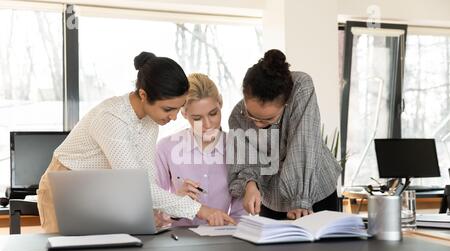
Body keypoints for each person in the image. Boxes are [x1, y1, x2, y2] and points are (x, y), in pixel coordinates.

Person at [37, 52, 235, 233]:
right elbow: (137, 186)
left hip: (101, 189)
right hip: (65, 187)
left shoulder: (151, 123)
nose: (175, 117)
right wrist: (202, 210)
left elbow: (145, 180)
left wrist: (156, 213)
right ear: (143, 95)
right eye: (168, 109)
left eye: (178, 108)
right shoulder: (112, 118)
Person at [227, 49, 341, 220]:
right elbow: (244, 160)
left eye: (268, 119)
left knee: (326, 247)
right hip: (272, 198)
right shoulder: (237, 116)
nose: (257, 124)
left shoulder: (301, 87)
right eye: (252, 116)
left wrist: (300, 200)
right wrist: (250, 185)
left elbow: (303, 143)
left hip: (315, 192)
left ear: (286, 103)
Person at [155, 73, 246, 227]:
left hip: (222, 242)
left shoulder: (239, 149)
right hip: (177, 243)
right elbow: (154, 217)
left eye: (213, 113)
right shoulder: (166, 148)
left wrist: (229, 225)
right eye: (197, 118)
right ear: (184, 113)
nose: (208, 124)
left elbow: (241, 216)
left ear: (221, 103)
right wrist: (175, 202)